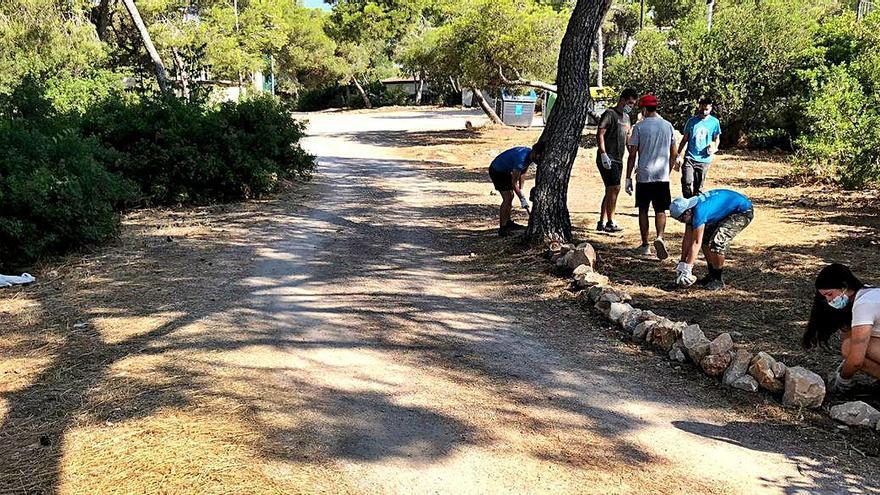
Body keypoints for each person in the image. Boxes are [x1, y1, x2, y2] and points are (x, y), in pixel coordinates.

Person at [803, 264, 880, 392]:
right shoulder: (869, 293)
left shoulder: (863, 305)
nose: (828, 300)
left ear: (844, 286)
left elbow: (856, 360)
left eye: (829, 294)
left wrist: (843, 379)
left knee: (849, 347)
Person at [669, 189, 753, 290]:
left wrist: (688, 268)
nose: (681, 222)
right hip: (726, 211)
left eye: (681, 219)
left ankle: (717, 279)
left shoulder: (699, 211)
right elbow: (687, 239)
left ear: (687, 212)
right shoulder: (689, 208)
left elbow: (696, 242)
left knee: (717, 242)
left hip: (742, 211)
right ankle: (712, 275)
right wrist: (682, 263)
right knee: (705, 240)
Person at [625, 94, 677, 259]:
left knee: (643, 209)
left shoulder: (639, 127)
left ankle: (645, 244)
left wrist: (628, 177)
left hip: (644, 175)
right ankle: (660, 237)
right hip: (662, 175)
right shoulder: (668, 126)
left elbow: (632, 154)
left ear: (644, 109)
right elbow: (674, 152)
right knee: (660, 209)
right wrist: (667, 170)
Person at [596, 88, 639, 233]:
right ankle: (610, 221)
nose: (631, 106)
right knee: (615, 188)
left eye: (633, 104)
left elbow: (628, 139)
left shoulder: (626, 118)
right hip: (608, 158)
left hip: (618, 159)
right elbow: (600, 133)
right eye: (630, 103)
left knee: (610, 189)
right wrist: (603, 153)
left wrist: (633, 156)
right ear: (622, 99)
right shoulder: (610, 114)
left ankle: (601, 222)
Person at [488, 142, 542, 237]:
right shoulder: (521, 159)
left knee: (510, 196)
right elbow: (513, 183)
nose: (537, 159)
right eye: (537, 156)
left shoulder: (530, 155)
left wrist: (521, 189)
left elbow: (523, 173)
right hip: (497, 171)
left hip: (505, 170)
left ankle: (508, 222)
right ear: (534, 152)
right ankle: (503, 228)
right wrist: (522, 198)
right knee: (507, 198)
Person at [676, 98, 722, 198]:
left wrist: (714, 147)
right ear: (698, 107)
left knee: (698, 188)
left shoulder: (715, 122)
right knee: (687, 182)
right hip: (690, 157)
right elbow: (685, 139)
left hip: (704, 159)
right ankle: (687, 205)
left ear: (711, 108)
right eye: (702, 109)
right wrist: (678, 154)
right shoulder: (691, 121)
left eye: (706, 109)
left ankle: (695, 208)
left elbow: (716, 138)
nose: (704, 111)